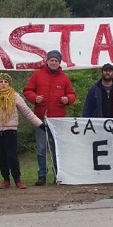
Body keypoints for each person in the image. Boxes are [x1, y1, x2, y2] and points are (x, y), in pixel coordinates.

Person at [23, 50, 76, 186]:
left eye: (56, 61)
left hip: (58, 120)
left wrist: (67, 99)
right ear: (47, 61)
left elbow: (72, 94)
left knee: (57, 148)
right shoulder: (37, 75)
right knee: (41, 148)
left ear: (59, 63)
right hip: (41, 118)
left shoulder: (64, 78)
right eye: (51, 60)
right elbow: (27, 90)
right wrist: (35, 98)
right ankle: (42, 175)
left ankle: (58, 174)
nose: (53, 62)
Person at [0, 73, 45, 190]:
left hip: (10, 129)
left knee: (12, 156)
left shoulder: (15, 96)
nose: (3, 84)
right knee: (0, 156)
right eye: (1, 82)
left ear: (9, 84)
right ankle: (6, 179)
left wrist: (40, 124)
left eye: (5, 82)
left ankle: (17, 179)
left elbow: (27, 112)